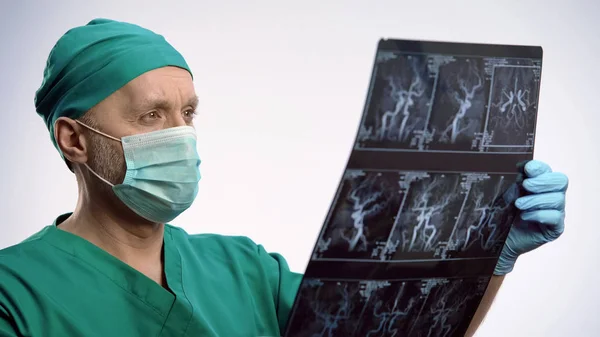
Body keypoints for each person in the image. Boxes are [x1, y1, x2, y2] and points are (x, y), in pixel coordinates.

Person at [0, 18, 569, 337]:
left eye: (189, 113)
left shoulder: (244, 269)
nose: (182, 135)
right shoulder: (15, 294)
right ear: (74, 140)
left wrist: (486, 251)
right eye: (152, 116)